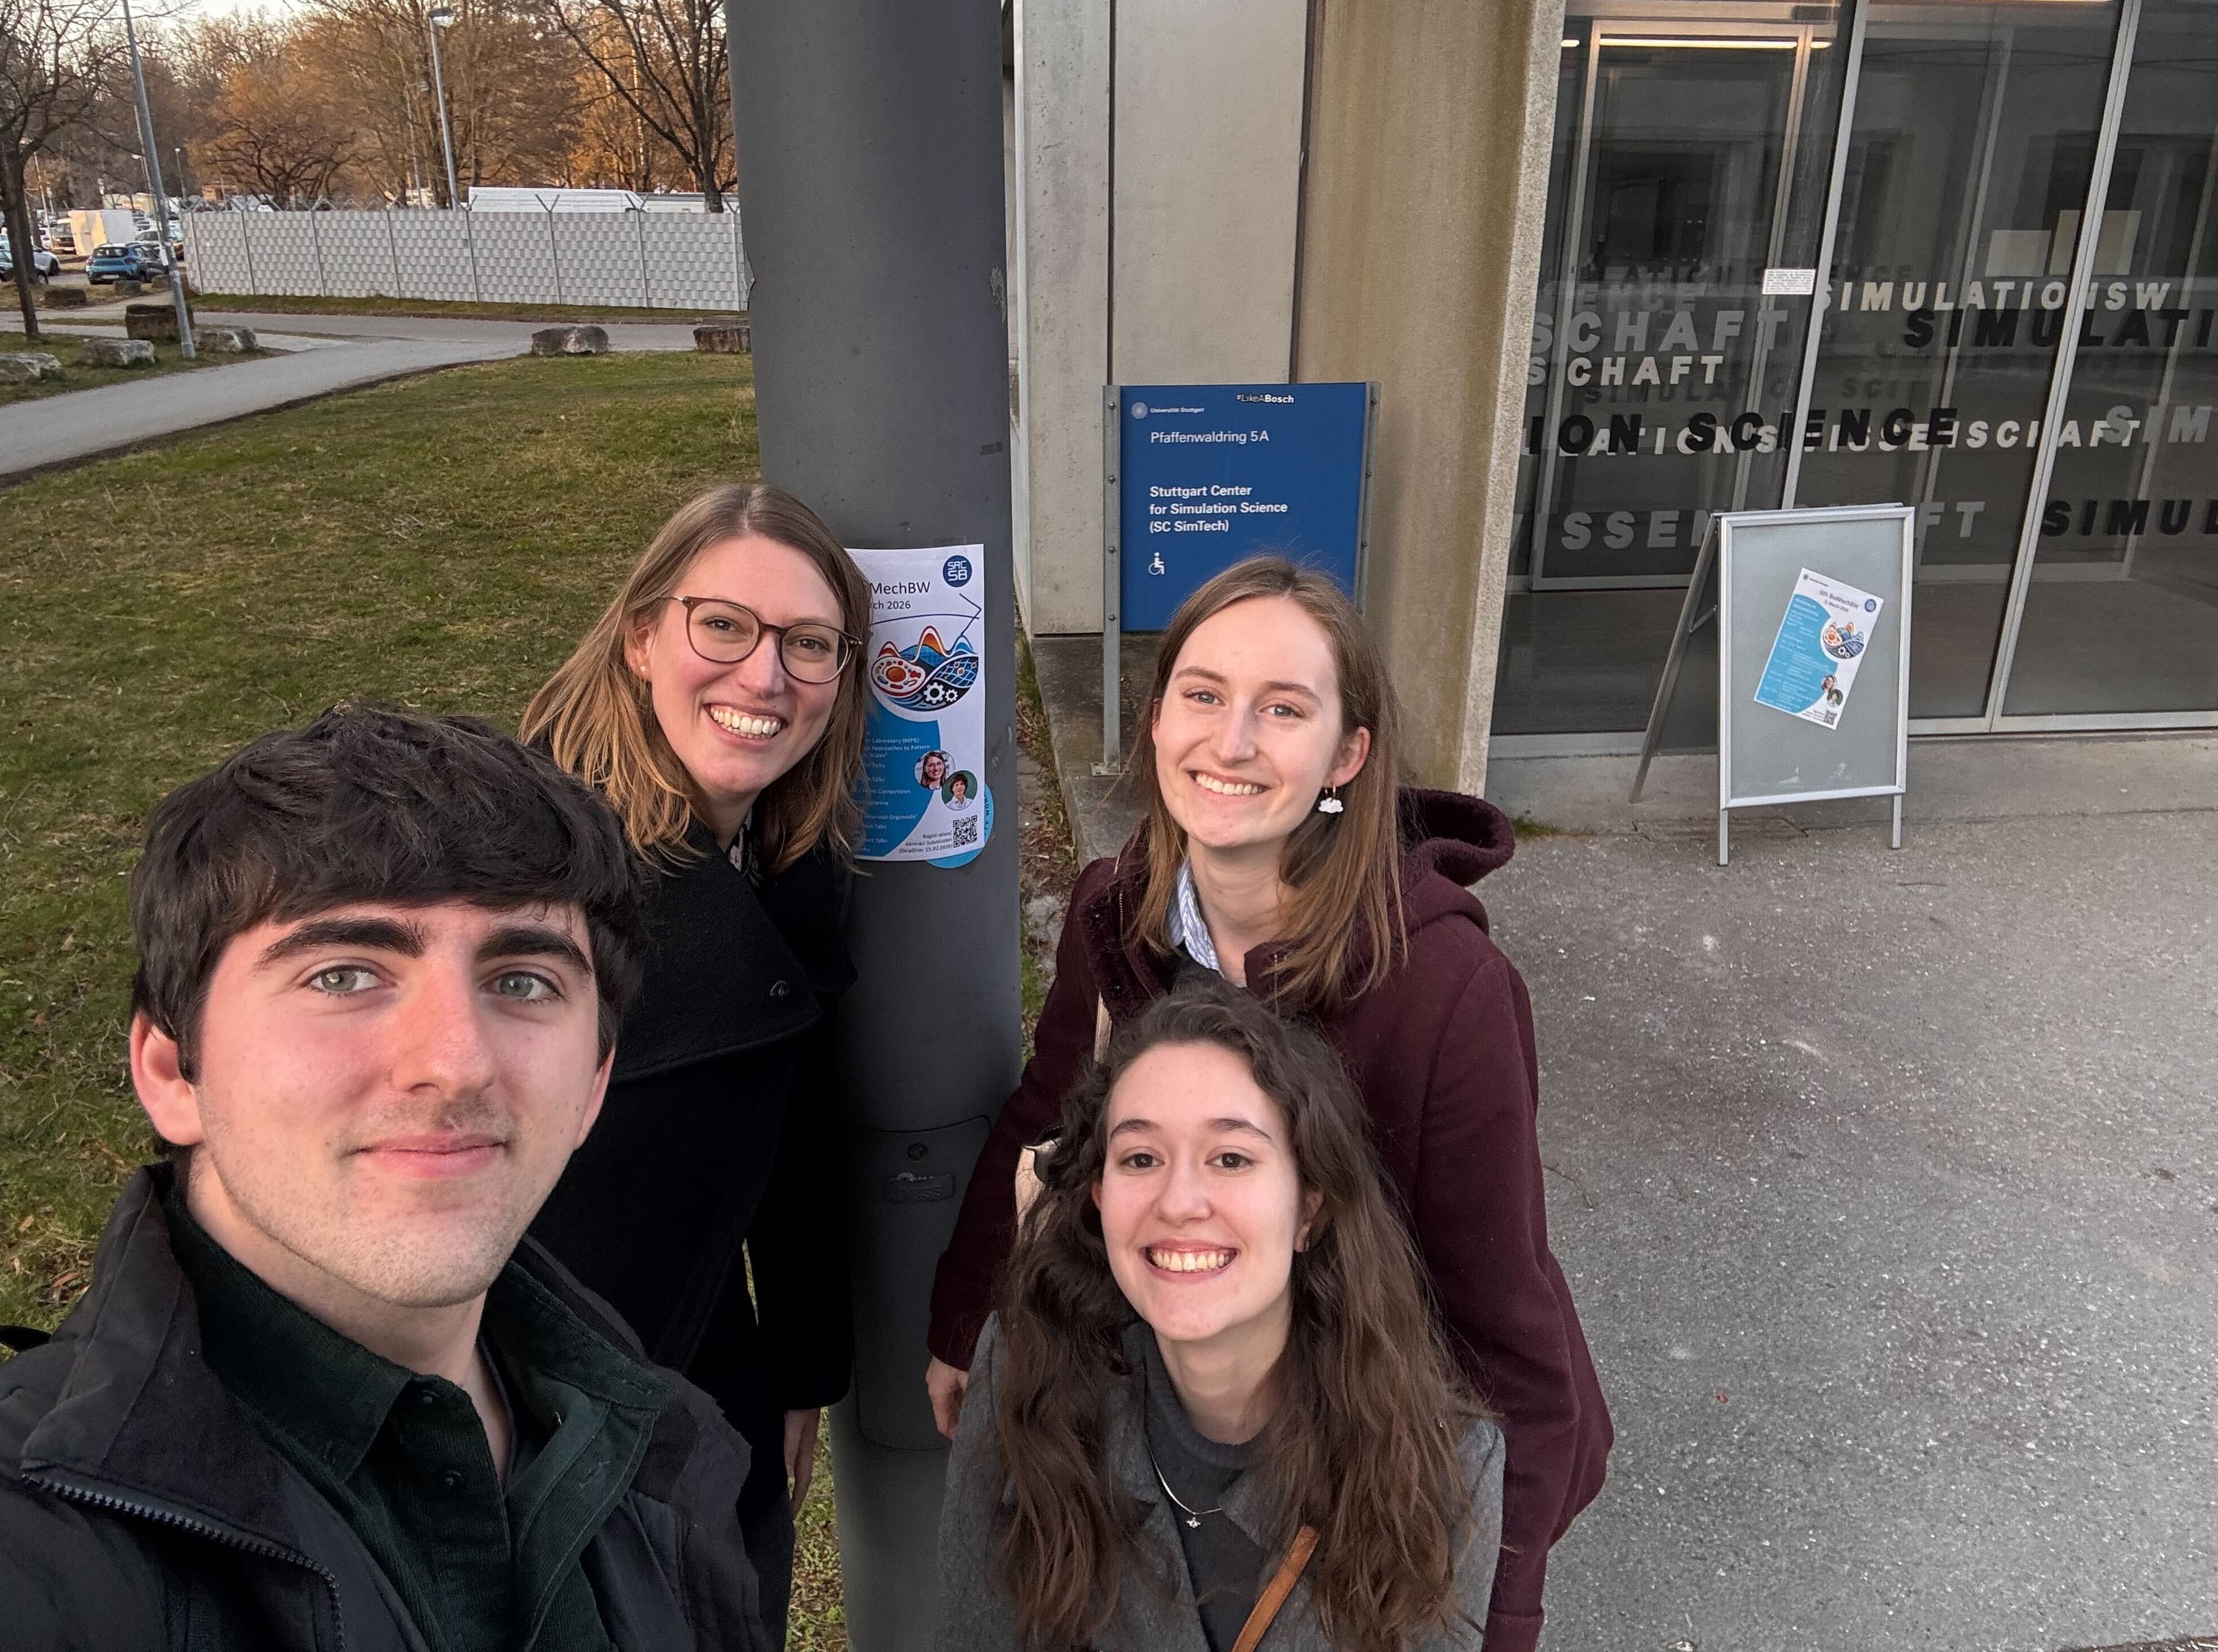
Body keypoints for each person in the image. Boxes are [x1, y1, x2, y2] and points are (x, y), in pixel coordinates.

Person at [927, 556, 1612, 1652]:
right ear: (1157, 721)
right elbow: (1049, 1115)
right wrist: (965, 1325)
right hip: (1190, 1413)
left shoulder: (1445, 992)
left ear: (1347, 755)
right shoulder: (1120, 911)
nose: (1232, 741)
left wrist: (1503, 1601)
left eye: (1284, 709)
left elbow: (1499, 1322)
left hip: (1364, 1441)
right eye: (1203, 695)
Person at [0, 707, 772, 1651]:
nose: (457, 1063)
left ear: (594, 1085)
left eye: (522, 981)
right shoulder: (41, 1558)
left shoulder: (657, 1442)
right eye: (343, 976)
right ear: (173, 1071)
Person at [522, 481, 868, 1634]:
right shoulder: (533, 877)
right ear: (641, 638)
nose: (764, 677)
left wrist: (799, 1377)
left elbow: (790, 1140)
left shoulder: (772, 863)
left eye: (808, 644)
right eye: (723, 626)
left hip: (698, 1401)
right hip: (560, 1454)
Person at [937, 978, 1504, 1652]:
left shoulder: (1440, 1469)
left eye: (1231, 1158)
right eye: (1141, 1158)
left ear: (1310, 1207)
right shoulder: (1025, 1375)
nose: (1179, 1202)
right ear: (1099, 1196)